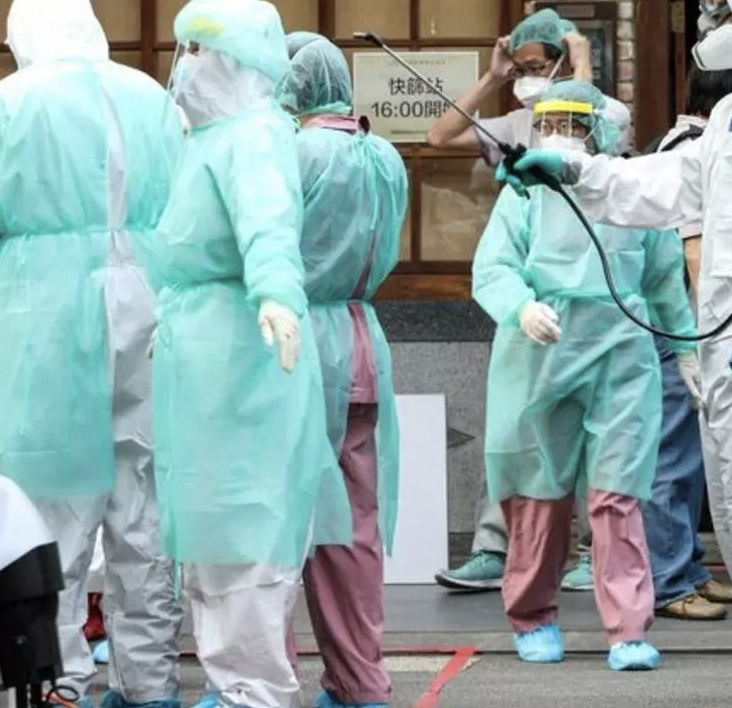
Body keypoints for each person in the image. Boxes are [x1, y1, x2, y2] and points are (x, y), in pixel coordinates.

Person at [493, 1, 732, 704]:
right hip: (724, 334)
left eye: (723, 10)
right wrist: (573, 170)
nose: (710, 24)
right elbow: (665, 184)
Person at [0, 1, 184, 707]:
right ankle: (150, 683)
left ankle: (60, 680)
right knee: (144, 500)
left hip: (46, 312)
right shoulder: (149, 96)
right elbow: (186, 203)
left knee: (51, 504)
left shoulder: (7, 103)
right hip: (151, 299)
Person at [150, 3, 351, 708]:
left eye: (199, 50)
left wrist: (274, 296)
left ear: (240, 59)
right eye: (183, 49)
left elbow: (268, 225)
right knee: (211, 535)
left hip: (244, 357)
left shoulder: (254, 134)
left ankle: (255, 689)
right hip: (203, 359)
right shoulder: (206, 139)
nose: (185, 67)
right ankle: (233, 684)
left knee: (248, 537)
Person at [473, 79, 698, 672]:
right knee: (538, 496)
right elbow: (493, 267)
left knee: (617, 494)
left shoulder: (627, 191)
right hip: (539, 352)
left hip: (620, 352)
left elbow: (663, 278)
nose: (557, 135)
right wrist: (521, 307)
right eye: (548, 123)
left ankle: (628, 628)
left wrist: (686, 348)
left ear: (599, 128)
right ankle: (532, 616)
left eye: (571, 123)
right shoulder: (523, 193)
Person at [427, 8, 619, 594]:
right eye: (523, 68)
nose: (530, 78)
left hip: (594, 309)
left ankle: (589, 550)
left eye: (539, 66)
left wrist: (580, 65)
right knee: (511, 430)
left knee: (592, 434)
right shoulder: (516, 125)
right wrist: (493, 76)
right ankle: (495, 546)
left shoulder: (599, 125)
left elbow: (604, 122)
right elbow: (440, 137)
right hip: (526, 300)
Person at [276, 32, 407, 708]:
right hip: (361, 342)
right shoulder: (383, 155)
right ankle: (360, 681)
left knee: (277, 522)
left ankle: (263, 679)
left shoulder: (291, 154)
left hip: (292, 342)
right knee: (352, 527)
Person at [644, 64, 732, 623]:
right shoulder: (692, 150)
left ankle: (688, 566)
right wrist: (710, 330)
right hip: (681, 326)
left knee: (690, 454)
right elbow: (693, 249)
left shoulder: (687, 142)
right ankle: (668, 580)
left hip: (682, 321)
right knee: (672, 455)